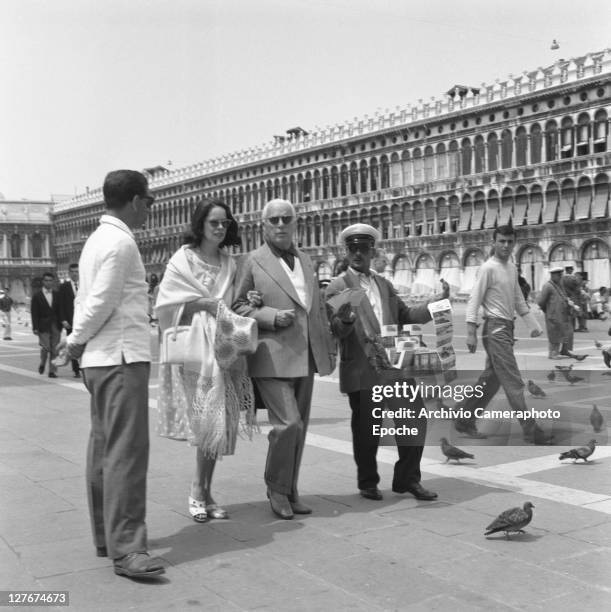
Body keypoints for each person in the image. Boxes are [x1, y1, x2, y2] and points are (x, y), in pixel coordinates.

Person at [65, 170, 164, 579]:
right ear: (137, 201)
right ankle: (128, 550)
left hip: (101, 361)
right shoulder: (122, 242)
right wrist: (73, 340)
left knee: (104, 451)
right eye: (149, 202)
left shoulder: (95, 240)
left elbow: (87, 298)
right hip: (121, 357)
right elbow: (102, 302)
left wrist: (79, 345)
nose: (150, 210)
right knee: (126, 453)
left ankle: (108, 537)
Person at [325, 223, 448, 501]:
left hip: (395, 362)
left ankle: (408, 479)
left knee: (414, 418)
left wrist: (437, 303)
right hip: (362, 367)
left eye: (363, 248)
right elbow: (337, 329)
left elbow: (406, 314)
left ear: (372, 251)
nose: (358, 253)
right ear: (347, 251)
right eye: (353, 248)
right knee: (368, 429)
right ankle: (368, 481)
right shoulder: (339, 285)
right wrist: (344, 319)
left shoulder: (383, 284)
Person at [232, 198, 336, 520]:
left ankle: (290, 489)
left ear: (295, 223)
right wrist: (270, 316)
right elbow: (236, 306)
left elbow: (313, 308)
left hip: (305, 356)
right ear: (263, 226)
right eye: (273, 220)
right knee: (287, 423)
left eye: (286, 219)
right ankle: (276, 488)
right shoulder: (252, 261)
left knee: (300, 427)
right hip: (271, 356)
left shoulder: (306, 260)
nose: (280, 225)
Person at [155, 198, 256, 523]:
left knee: (218, 424)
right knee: (206, 421)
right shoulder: (182, 260)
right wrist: (202, 304)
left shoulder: (230, 262)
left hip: (222, 349)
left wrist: (247, 300)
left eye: (225, 223)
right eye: (213, 222)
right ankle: (198, 490)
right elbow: (165, 304)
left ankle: (207, 491)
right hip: (194, 354)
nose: (219, 227)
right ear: (200, 224)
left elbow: (233, 303)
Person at [454, 225, 553, 444]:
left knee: (492, 380)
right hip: (495, 329)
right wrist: (470, 331)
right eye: (501, 241)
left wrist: (532, 323)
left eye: (510, 241)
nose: (506, 246)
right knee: (513, 380)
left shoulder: (511, 267)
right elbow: (474, 299)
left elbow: (518, 298)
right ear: (494, 242)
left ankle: (463, 418)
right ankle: (531, 429)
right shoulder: (488, 268)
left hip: (506, 328)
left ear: (514, 242)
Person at [537, 267, 574, 360]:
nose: (560, 277)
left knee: (563, 332)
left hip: (562, 314)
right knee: (554, 333)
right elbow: (541, 301)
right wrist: (549, 311)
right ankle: (553, 353)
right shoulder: (548, 286)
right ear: (552, 275)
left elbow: (564, 296)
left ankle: (562, 350)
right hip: (553, 314)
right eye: (558, 275)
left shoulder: (559, 285)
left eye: (561, 275)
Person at [31, 272, 61, 378]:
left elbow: (60, 310)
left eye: (50, 280)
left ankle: (52, 371)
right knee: (46, 348)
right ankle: (43, 362)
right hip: (43, 325)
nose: (48, 282)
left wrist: (62, 322)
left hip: (56, 325)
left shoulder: (57, 294)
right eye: (46, 280)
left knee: (55, 349)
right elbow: (34, 313)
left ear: (53, 281)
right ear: (43, 281)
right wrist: (35, 327)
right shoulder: (37, 296)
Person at [57, 263, 81, 377]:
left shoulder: (86, 285)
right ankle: (76, 369)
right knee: (72, 345)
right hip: (70, 322)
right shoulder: (64, 287)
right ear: (69, 273)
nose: (75, 274)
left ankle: (84, 366)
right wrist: (63, 319)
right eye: (73, 272)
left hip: (84, 321)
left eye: (77, 271)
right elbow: (60, 304)